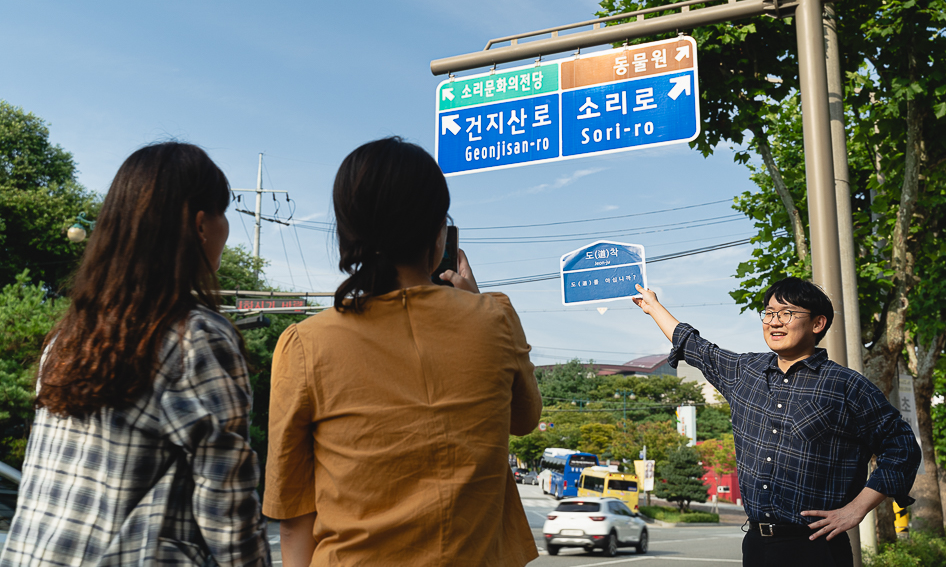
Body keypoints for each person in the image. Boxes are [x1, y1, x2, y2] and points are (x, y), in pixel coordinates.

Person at [263, 137, 542, 567]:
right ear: (438, 233)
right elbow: (524, 420)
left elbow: (293, 520)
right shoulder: (495, 319)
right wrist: (475, 300)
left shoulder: (305, 344)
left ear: (346, 234)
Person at [0, 143, 271, 566]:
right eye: (224, 215)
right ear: (201, 224)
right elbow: (228, 502)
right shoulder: (195, 335)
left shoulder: (66, 337)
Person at [632, 277, 920, 567]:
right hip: (758, 546)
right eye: (769, 313)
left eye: (787, 314)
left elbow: (902, 447)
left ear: (817, 324)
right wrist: (653, 307)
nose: (774, 322)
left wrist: (856, 509)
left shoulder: (846, 385)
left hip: (817, 548)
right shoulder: (745, 371)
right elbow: (695, 346)